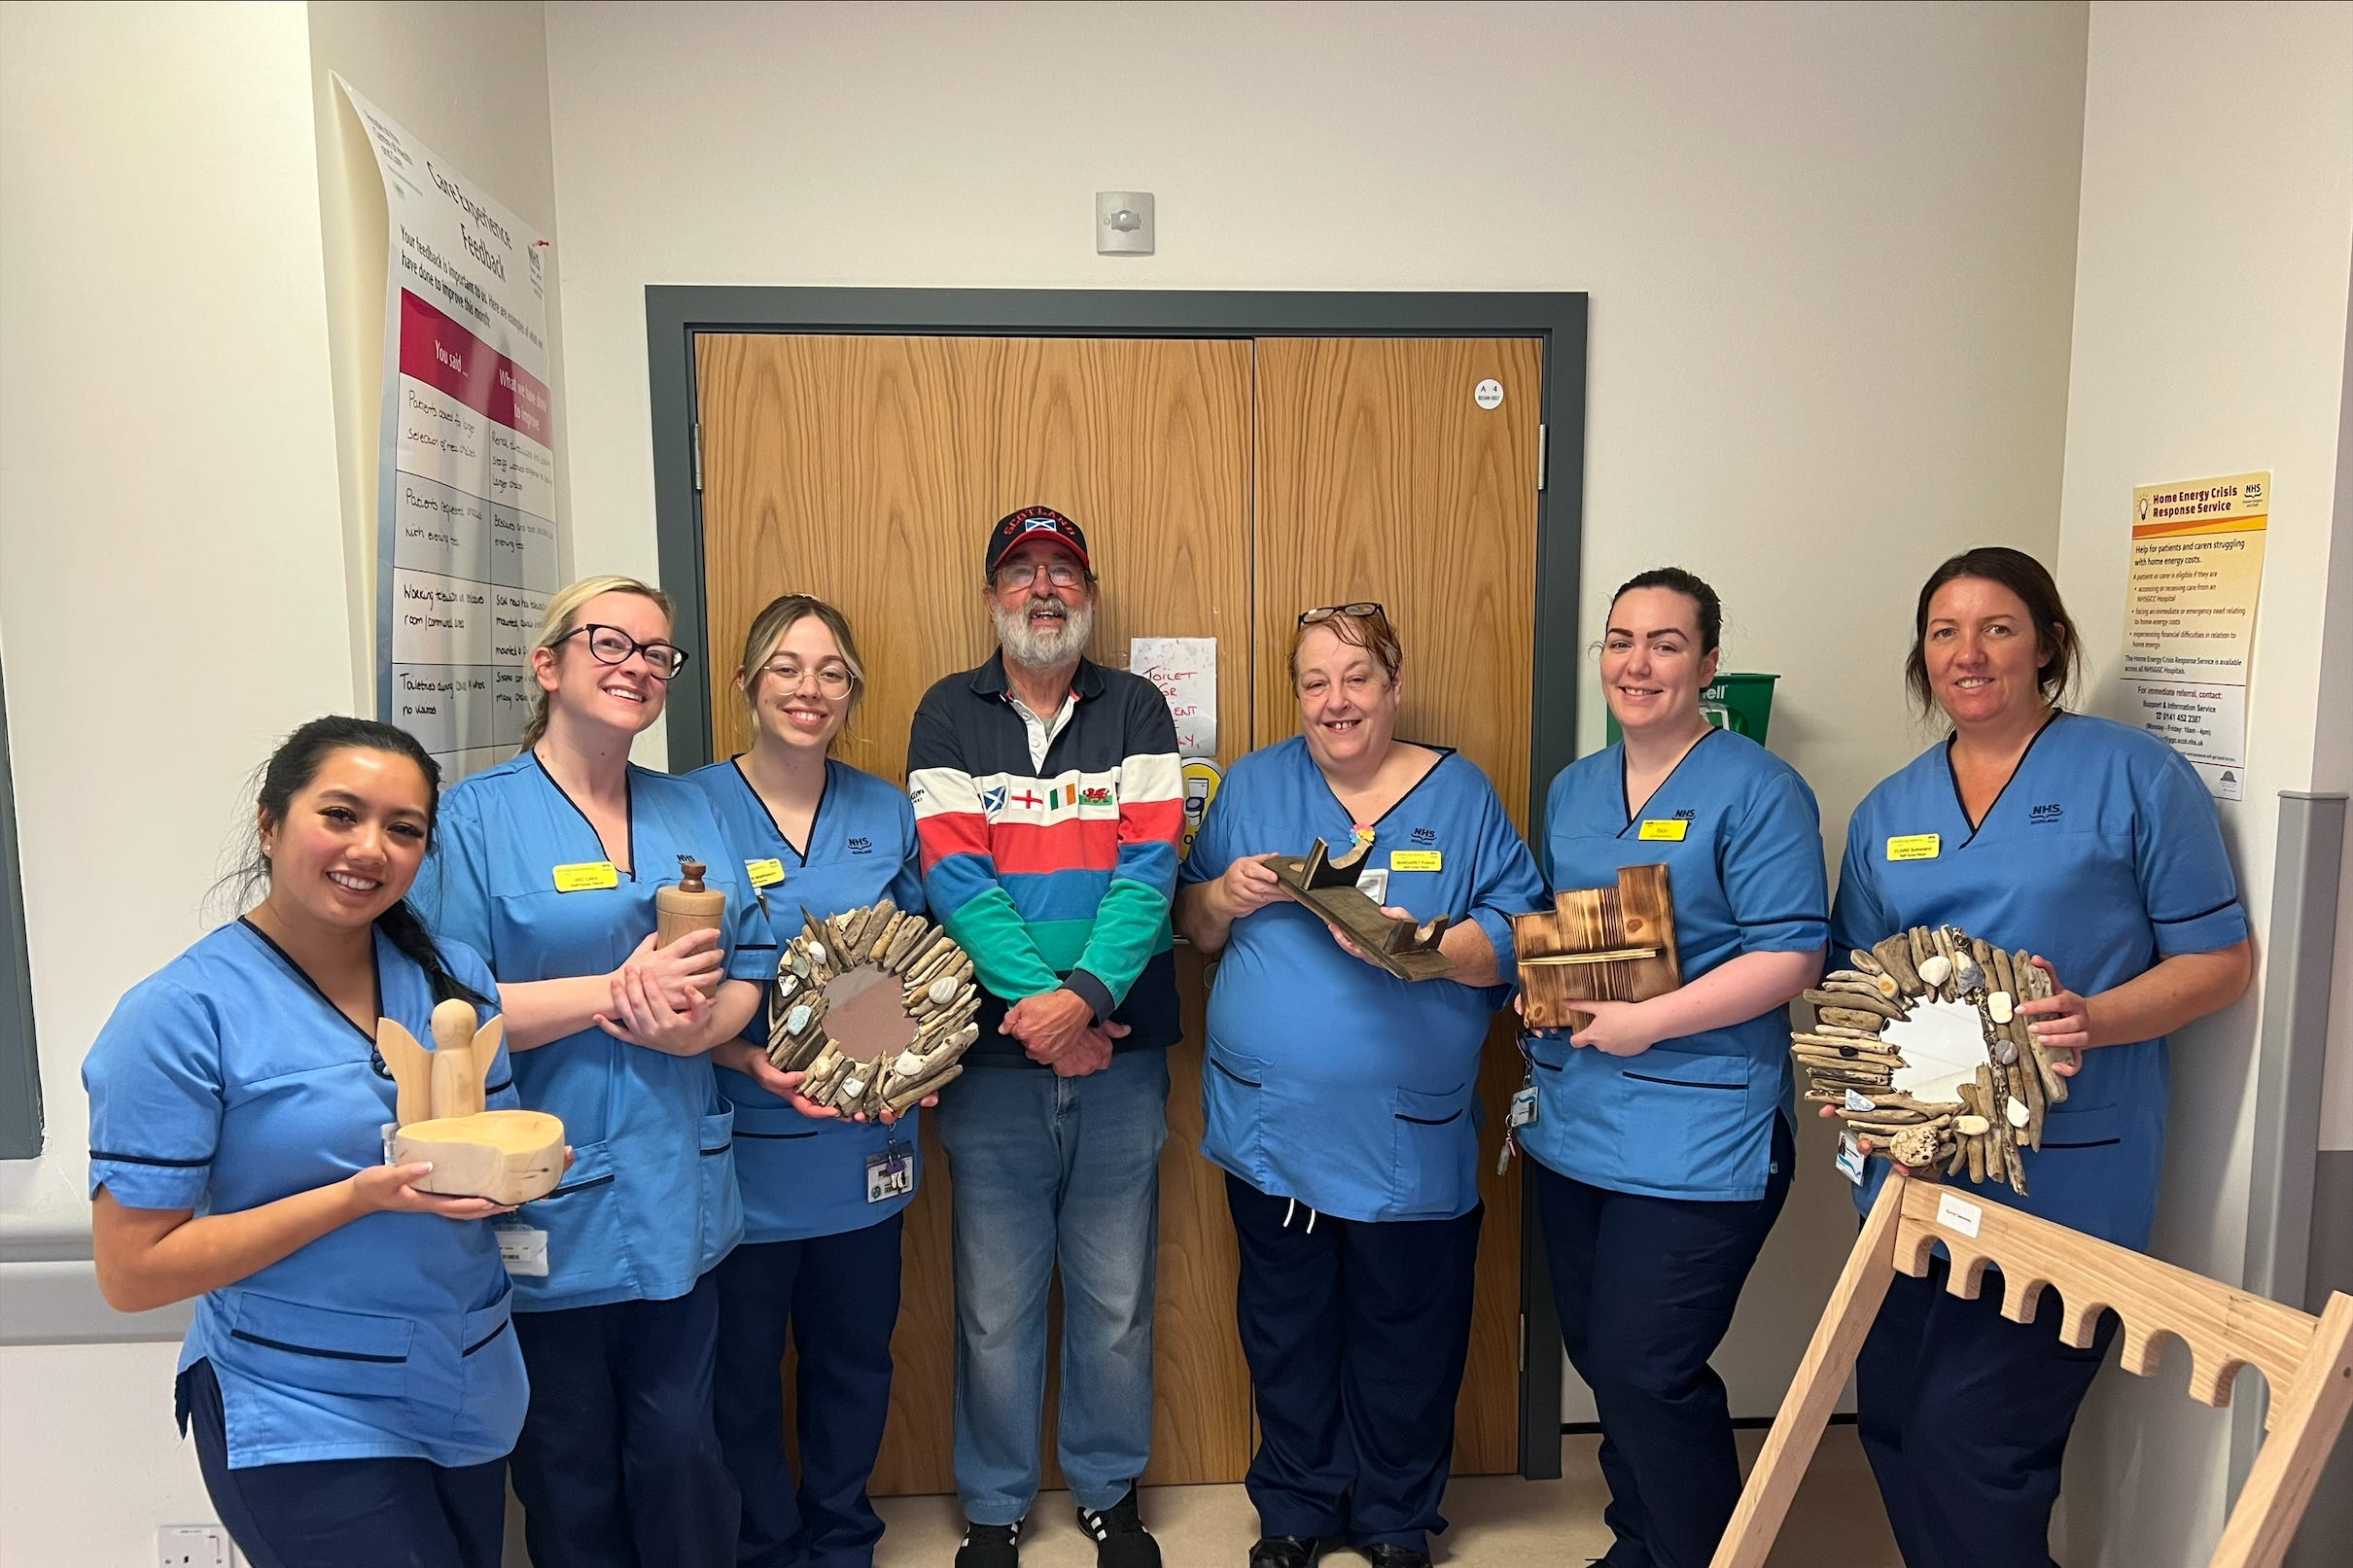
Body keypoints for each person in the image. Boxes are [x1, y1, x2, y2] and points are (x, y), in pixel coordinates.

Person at [1832, 546, 2252, 1568]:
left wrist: (2094, 1019)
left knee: (1973, 1444)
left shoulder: (2132, 776)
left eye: (1996, 627)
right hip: (1916, 1180)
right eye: (1943, 631)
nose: (1966, 653)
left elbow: (2220, 959)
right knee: (1889, 1423)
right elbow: (1860, 984)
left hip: (2063, 1182)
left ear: (2048, 645)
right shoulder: (1890, 809)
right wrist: (1857, 1097)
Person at [85, 716, 527, 1568]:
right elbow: (131, 1272)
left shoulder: (452, 978)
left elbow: (485, 1152)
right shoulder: (180, 1016)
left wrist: (520, 1176)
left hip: (467, 1375)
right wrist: (357, 1194)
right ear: (269, 822)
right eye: (340, 814)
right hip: (303, 1404)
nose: (371, 847)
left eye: (404, 828)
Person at [1176, 601, 1547, 1568]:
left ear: (1392, 682)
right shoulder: (1254, 785)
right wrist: (1220, 893)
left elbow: (1523, 935)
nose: (1333, 699)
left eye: (1353, 676)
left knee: (1405, 1333)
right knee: (1286, 1327)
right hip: (1273, 1128)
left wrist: (1418, 945)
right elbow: (1193, 923)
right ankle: (1295, 1507)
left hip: (1404, 1132)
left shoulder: (1461, 797)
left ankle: (1390, 1513)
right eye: (1313, 680)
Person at [415, 575, 772, 1568]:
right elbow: (448, 1016)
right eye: (610, 643)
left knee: (681, 1444)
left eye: (657, 653)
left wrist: (700, 1032)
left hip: (676, 1179)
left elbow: (754, 968)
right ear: (549, 663)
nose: (637, 666)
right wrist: (617, 993)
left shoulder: (691, 808)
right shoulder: (474, 822)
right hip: (547, 1193)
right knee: (568, 1461)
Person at [1518, 569, 1827, 1568]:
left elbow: (1790, 955)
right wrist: (1537, 988)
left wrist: (1650, 1019)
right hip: (1579, 1115)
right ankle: (1639, 1539)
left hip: (1701, 1127)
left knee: (1648, 1365)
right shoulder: (1573, 788)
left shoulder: (1755, 786)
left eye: (1662, 642)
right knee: (1602, 1357)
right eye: (1619, 639)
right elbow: (1573, 938)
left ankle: (1698, 1551)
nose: (1635, 662)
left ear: (1706, 663)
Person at [907, 505, 1183, 1568]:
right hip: (991, 1061)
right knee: (990, 1303)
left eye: (1061, 571)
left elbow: (1149, 870)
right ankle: (994, 1502)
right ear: (991, 597)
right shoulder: (946, 712)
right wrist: (1046, 1013)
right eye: (1019, 571)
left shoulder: (1138, 709)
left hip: (1119, 1052)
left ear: (1090, 594)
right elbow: (954, 878)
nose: (1041, 588)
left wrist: (1083, 994)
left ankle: (1110, 1492)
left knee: (1114, 1298)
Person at [687, 593, 925, 1568]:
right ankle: (762, 1542)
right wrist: (748, 1059)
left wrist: (915, 1061)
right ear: (746, 682)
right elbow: (678, 991)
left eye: (830, 671)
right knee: (737, 1374)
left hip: (864, 1143)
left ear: (852, 693)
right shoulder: (686, 806)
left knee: (854, 1361)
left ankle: (839, 1534)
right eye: (785, 666)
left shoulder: (885, 810)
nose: (808, 688)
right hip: (742, 1143)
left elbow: (919, 963)